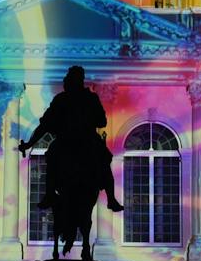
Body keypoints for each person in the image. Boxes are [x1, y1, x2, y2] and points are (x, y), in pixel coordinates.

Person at [17, 65, 125, 212]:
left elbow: (45, 125)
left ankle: (49, 194)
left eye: (68, 80)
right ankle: (111, 199)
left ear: (74, 81)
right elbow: (102, 122)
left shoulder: (64, 99)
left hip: (69, 141)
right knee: (102, 161)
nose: (65, 82)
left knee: (56, 158)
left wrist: (30, 144)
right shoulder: (87, 98)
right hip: (85, 141)